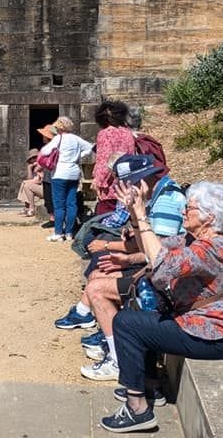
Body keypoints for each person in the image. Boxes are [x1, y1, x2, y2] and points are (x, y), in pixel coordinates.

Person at [99, 180, 223, 433]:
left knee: (126, 323)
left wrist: (142, 215)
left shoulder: (214, 249)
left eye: (189, 208)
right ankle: (149, 385)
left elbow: (163, 268)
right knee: (142, 316)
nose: (184, 211)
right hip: (199, 326)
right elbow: (153, 250)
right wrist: (135, 216)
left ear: (209, 217)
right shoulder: (193, 239)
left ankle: (137, 408)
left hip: (213, 334)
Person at [75, 155, 186, 381]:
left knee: (97, 288)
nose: (127, 188)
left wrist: (127, 260)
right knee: (99, 273)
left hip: (164, 278)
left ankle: (118, 360)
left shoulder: (166, 200)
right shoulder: (155, 195)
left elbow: (158, 255)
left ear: (144, 180)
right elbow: (149, 244)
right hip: (155, 269)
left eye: (129, 183)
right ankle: (109, 340)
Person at [38, 116, 93, 242]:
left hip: (60, 173)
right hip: (74, 173)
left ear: (59, 128)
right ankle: (69, 233)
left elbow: (46, 151)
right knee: (71, 204)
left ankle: (58, 232)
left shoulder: (58, 138)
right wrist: (79, 156)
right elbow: (89, 148)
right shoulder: (76, 139)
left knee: (59, 205)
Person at [91, 101, 136, 214]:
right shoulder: (128, 133)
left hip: (110, 188)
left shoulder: (105, 133)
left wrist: (98, 182)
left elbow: (104, 160)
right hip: (127, 185)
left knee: (105, 224)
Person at [36, 125, 57, 225]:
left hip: (51, 174)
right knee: (48, 197)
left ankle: (54, 218)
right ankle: (52, 217)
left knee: (51, 197)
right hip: (48, 174)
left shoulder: (51, 147)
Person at [17, 149, 43, 216]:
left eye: (35, 157)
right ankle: (27, 207)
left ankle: (31, 208)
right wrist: (29, 168)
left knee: (26, 184)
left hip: (45, 188)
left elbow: (39, 181)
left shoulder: (42, 165)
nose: (33, 160)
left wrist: (37, 170)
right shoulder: (33, 167)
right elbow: (30, 179)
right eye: (31, 158)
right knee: (25, 184)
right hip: (38, 187)